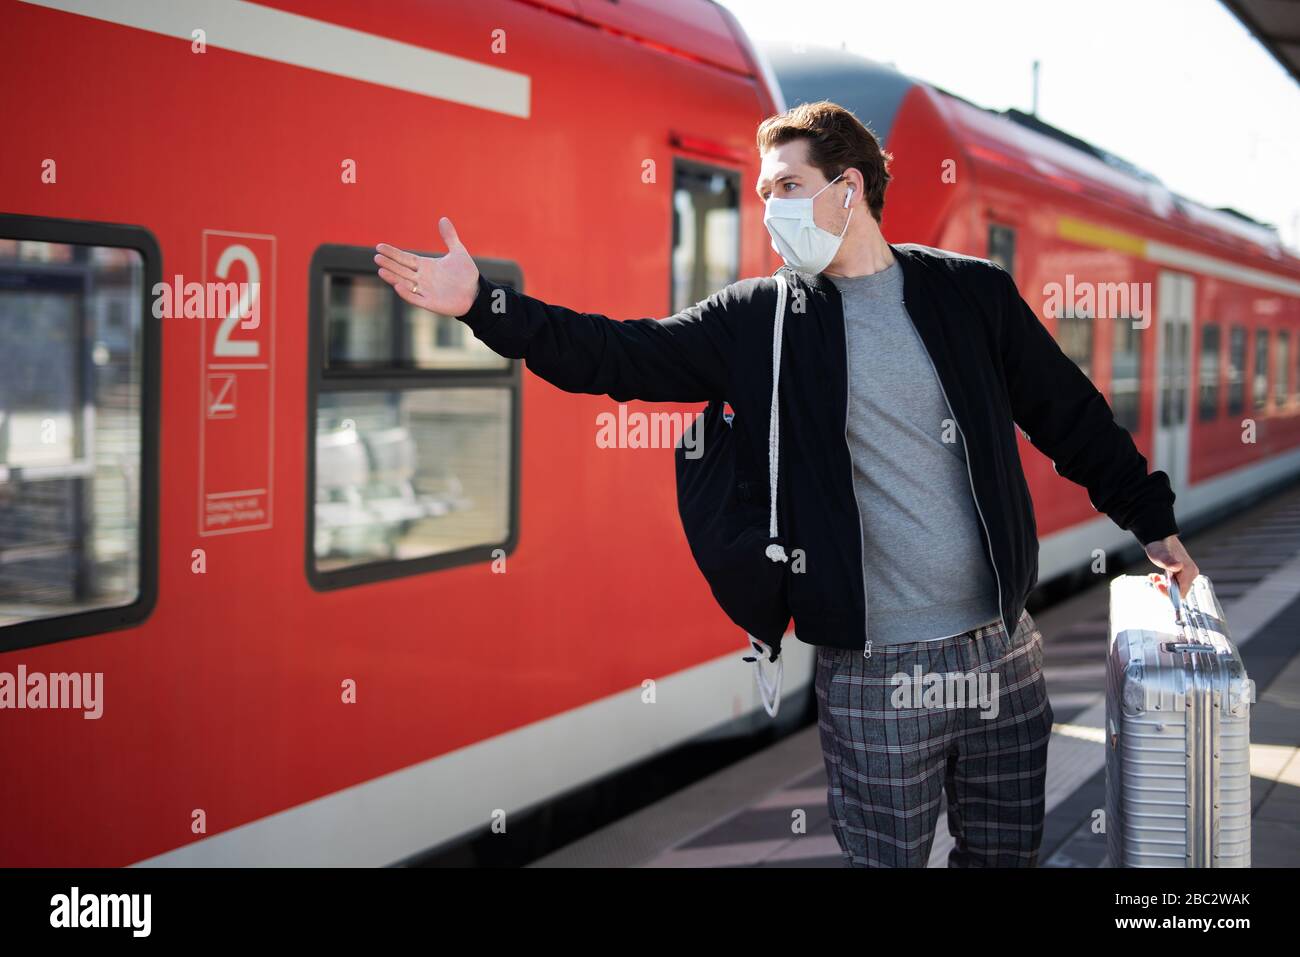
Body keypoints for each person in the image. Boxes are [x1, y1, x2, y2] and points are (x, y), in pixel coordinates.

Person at [373, 100, 1198, 867]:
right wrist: (484, 305)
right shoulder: (758, 319)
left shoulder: (968, 294)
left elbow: (1068, 415)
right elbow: (618, 355)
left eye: (789, 187)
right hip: (872, 672)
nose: (771, 208)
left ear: (849, 189)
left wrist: (1152, 522)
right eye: (765, 192)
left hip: (1001, 652)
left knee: (1007, 858)